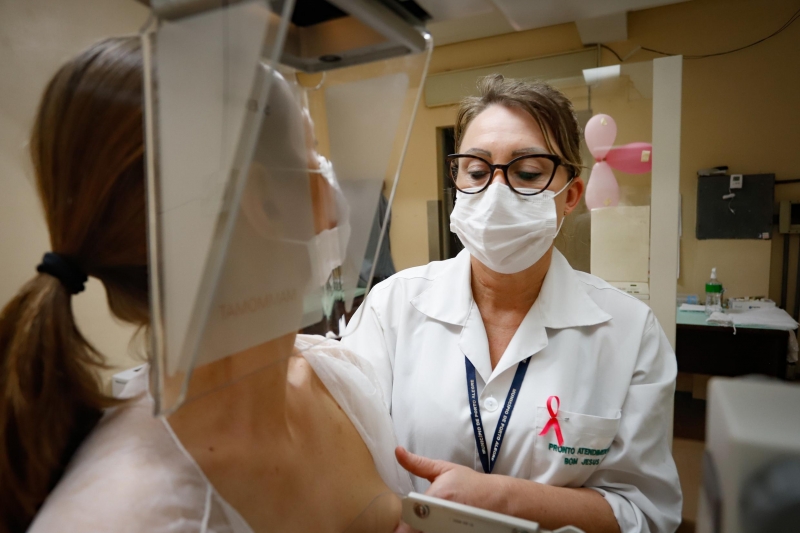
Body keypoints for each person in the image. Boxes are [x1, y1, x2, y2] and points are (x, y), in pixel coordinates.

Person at [0, 37, 410, 533]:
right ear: (264, 200)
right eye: (313, 155)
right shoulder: (118, 516)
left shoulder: (339, 380)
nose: (331, 197)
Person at [342, 74, 683, 533]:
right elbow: (345, 459)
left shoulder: (627, 331)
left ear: (571, 196)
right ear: (458, 182)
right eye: (477, 171)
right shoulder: (392, 308)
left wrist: (500, 498)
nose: (496, 193)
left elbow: (644, 512)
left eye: (527, 173)